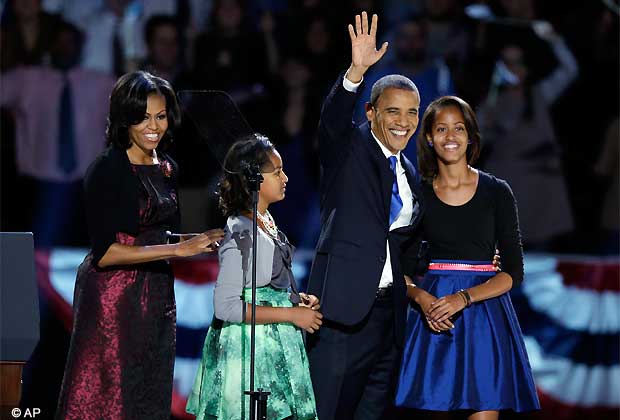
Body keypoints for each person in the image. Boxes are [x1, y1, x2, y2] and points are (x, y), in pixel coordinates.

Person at [56, 71, 225, 419]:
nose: (154, 126)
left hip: (157, 294)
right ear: (124, 118)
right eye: (143, 117)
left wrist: (194, 241)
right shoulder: (106, 169)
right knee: (109, 394)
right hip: (113, 299)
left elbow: (157, 234)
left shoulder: (165, 167)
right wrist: (177, 250)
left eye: (160, 116)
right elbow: (107, 253)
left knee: (148, 389)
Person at [305, 12, 426, 420]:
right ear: (371, 113)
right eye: (393, 111)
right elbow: (331, 123)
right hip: (341, 313)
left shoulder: (410, 174)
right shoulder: (349, 149)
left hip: (387, 321)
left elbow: (408, 246)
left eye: (412, 113)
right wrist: (355, 73)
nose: (404, 122)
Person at [395, 96, 540, 418]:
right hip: (433, 315)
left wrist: (464, 297)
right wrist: (421, 298)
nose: (451, 137)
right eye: (442, 129)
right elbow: (398, 268)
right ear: (429, 138)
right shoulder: (417, 193)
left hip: (485, 316)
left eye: (459, 128)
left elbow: (513, 272)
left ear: (471, 136)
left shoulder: (497, 191)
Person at [186, 134, 322, 420]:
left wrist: (294, 300)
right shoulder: (241, 231)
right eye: (276, 172)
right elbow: (226, 306)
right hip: (251, 351)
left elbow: (265, 285)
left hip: (272, 345)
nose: (285, 177)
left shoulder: (265, 221)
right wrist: (291, 315)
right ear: (253, 180)